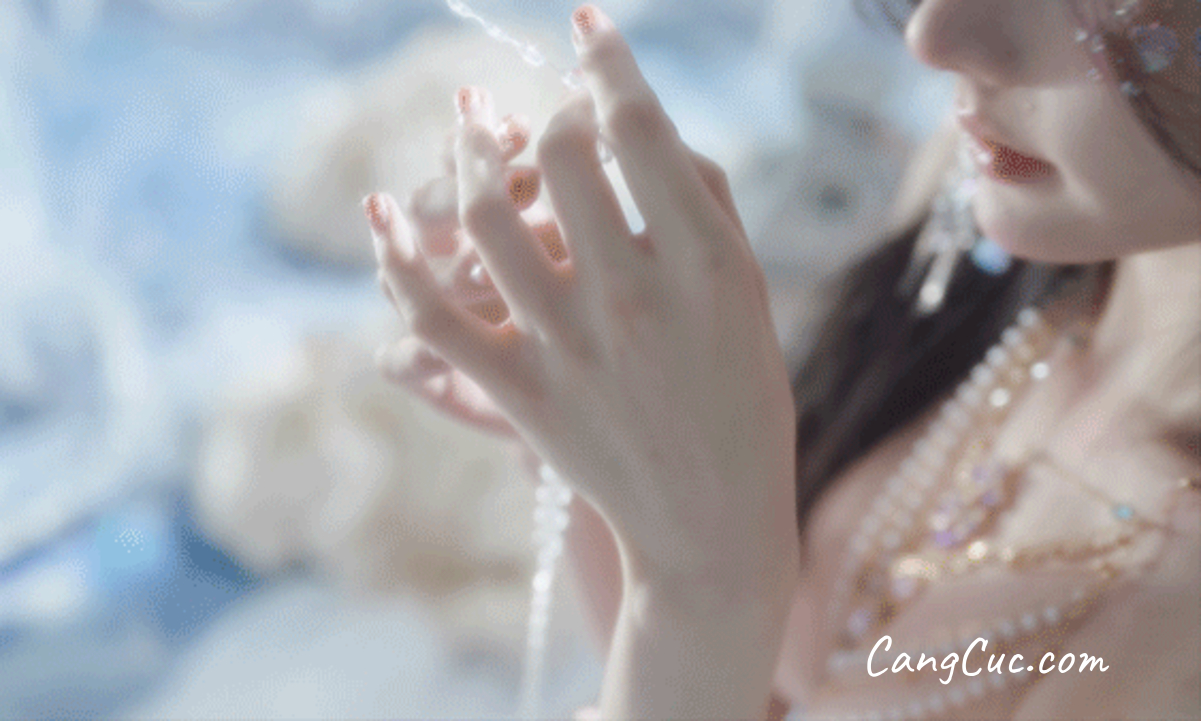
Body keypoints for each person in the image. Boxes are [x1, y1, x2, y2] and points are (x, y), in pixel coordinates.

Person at [366, 1, 1201, 718]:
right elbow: (750, 686)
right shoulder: (994, 198)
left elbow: (710, 636)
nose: (934, 35)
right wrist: (601, 443)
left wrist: (700, 589)